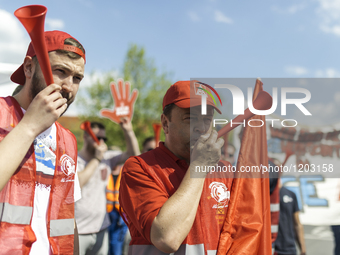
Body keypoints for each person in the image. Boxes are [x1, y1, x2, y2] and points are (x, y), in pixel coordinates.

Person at [119, 80, 233, 254]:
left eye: (207, 119)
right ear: (165, 123)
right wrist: (200, 166)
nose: (202, 129)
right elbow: (167, 238)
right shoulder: (139, 167)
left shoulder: (225, 170)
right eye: (190, 119)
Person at [0, 30, 86, 255]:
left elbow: (68, 217)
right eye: (60, 71)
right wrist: (29, 126)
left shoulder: (68, 140)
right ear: (29, 68)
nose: (69, 86)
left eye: (77, 78)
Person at [75, 120, 139, 255]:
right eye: (98, 138)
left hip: (101, 228)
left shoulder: (106, 157)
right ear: (86, 137)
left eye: (104, 138)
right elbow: (78, 183)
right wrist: (96, 160)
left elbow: (134, 156)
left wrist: (128, 131)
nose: (102, 142)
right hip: (78, 231)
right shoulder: (75, 158)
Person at [274, 179, 306, 255]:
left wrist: (303, 248)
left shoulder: (290, 194)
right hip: (271, 247)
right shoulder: (264, 195)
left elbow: (297, 224)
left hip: (289, 248)